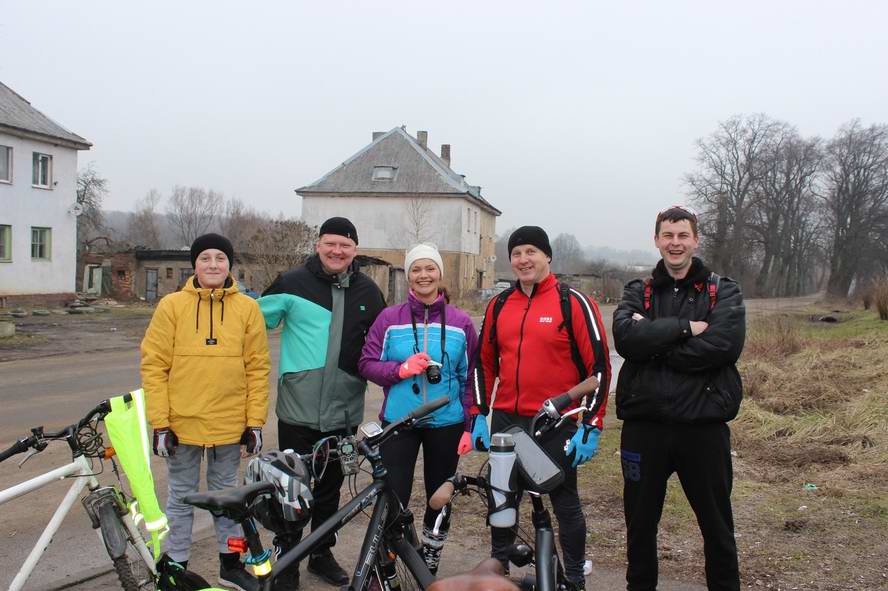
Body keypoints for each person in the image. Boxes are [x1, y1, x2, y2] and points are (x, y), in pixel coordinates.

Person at [613, 206, 745, 591]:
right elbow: (625, 340)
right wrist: (687, 329)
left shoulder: (724, 290)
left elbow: (723, 347)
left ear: (695, 240)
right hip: (644, 430)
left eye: (682, 235)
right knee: (639, 530)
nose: (675, 243)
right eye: (668, 236)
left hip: (703, 429)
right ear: (656, 240)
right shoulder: (638, 291)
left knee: (718, 529)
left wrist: (653, 340)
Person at [473, 226, 612, 590]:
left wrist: (591, 422)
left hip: (553, 421)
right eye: (517, 253)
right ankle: (498, 569)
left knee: (564, 501)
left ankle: (574, 576)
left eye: (531, 251)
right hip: (506, 418)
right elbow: (483, 363)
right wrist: (477, 412)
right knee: (502, 499)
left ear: (547, 256)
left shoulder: (572, 302)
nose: (523, 260)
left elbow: (598, 368)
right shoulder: (500, 304)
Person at [258, 217, 386, 587]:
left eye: (345, 245)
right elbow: (249, 322)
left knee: (329, 488)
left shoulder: (369, 292)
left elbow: (382, 343)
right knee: (290, 486)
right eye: (330, 243)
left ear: (354, 250)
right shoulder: (292, 282)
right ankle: (288, 558)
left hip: (343, 409)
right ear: (318, 245)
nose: (337, 251)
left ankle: (321, 553)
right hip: (298, 407)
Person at [142, 233, 270, 591]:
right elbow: (154, 367)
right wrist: (160, 423)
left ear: (230, 265)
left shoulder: (247, 309)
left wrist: (255, 422)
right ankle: (176, 568)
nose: (213, 265)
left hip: (229, 427)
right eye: (205, 258)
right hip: (182, 425)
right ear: (194, 264)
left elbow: (258, 368)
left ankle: (230, 565)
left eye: (220, 259)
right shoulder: (171, 306)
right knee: (180, 498)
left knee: (229, 499)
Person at [358, 243, 479, 575]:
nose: (423, 275)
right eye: (416, 269)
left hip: (447, 422)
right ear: (408, 275)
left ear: (439, 274)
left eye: (429, 268)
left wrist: (470, 425)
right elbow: (366, 364)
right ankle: (388, 561)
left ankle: (431, 558)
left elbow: (470, 377)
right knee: (392, 496)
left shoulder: (461, 322)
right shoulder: (389, 319)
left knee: (439, 497)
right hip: (399, 423)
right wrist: (400, 369)